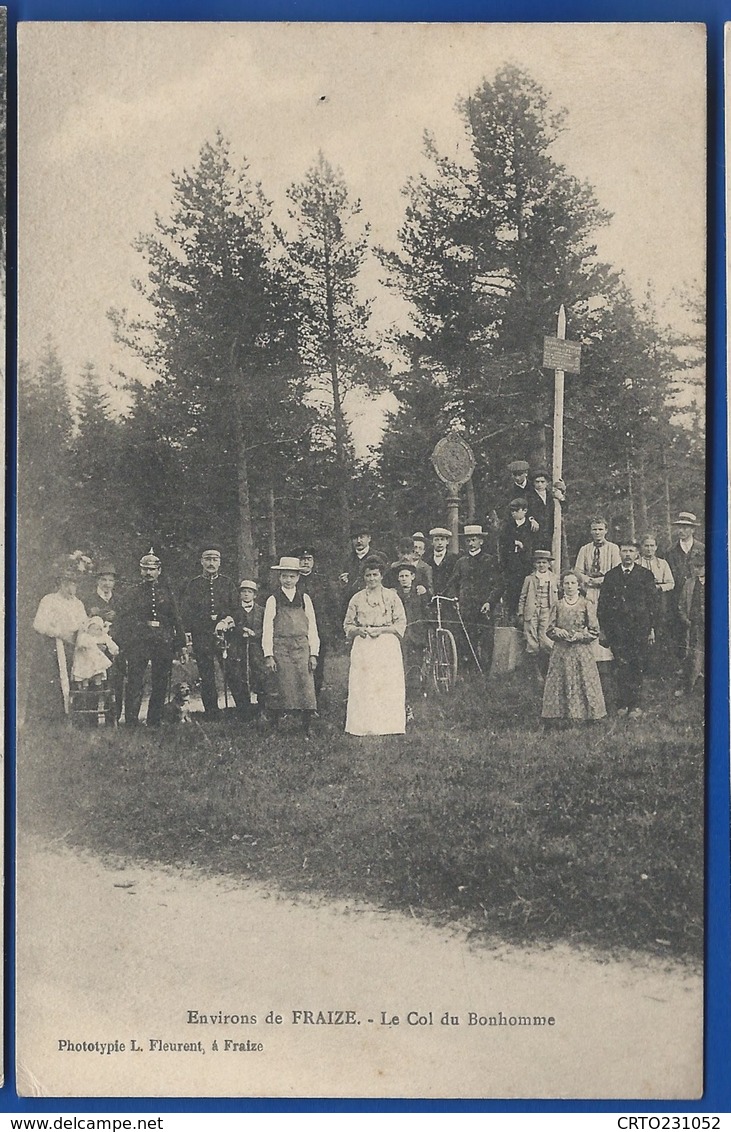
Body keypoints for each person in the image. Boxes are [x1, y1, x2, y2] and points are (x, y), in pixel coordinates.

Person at [115, 549, 186, 728]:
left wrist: (180, 643)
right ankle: (131, 721)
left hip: (163, 643)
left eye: (152, 569)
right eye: (145, 569)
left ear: (159, 571)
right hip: (139, 643)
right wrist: (135, 633)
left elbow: (175, 618)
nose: (148, 573)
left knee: (160, 682)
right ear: (140, 571)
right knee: (135, 681)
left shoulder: (166, 592)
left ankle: (154, 720)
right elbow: (125, 618)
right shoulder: (133, 593)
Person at [343, 556, 407, 736]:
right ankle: (363, 726)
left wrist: (384, 630)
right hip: (364, 645)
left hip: (386, 644)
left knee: (386, 684)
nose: (371, 579)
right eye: (368, 575)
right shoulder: (357, 598)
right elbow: (347, 625)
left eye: (375, 575)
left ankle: (389, 726)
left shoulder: (391, 597)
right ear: (363, 577)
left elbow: (401, 623)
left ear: (381, 576)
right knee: (364, 685)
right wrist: (358, 630)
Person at [598, 540, 657, 718]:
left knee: (636, 665)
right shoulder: (611, 575)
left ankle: (636, 705)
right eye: (624, 551)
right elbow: (603, 605)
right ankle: (622, 703)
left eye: (631, 551)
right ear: (620, 553)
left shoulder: (645, 575)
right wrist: (603, 630)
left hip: (639, 629)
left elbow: (652, 604)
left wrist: (651, 628)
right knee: (620, 666)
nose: (628, 554)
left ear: (637, 554)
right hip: (617, 630)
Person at [28, 555, 90, 722]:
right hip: (50, 647)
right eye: (67, 583)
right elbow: (39, 624)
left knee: (75, 676)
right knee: (50, 682)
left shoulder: (78, 603)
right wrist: (59, 633)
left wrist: (80, 634)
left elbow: (84, 623)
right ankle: (48, 719)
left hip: (72, 646)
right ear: (60, 584)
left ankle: (72, 716)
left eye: (73, 583)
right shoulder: (49, 600)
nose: (71, 587)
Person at [262, 556, 320, 735]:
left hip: (302, 646)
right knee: (280, 686)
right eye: (284, 576)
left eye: (292, 576)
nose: (288, 580)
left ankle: (307, 726)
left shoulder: (304, 598)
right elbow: (267, 627)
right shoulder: (273, 599)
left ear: (298, 577)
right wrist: (269, 654)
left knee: (306, 685)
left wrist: (313, 653)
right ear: (279, 577)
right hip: (281, 647)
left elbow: (312, 627)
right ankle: (274, 727)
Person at [541, 571, 606, 725]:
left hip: (580, 651)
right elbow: (549, 629)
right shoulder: (557, 605)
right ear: (562, 586)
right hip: (561, 650)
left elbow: (594, 630)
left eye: (573, 583)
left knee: (583, 680)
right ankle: (558, 716)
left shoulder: (586, 604)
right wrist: (558, 631)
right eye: (566, 583)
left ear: (579, 585)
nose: (569, 586)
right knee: (559, 680)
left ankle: (585, 715)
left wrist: (579, 636)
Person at [181, 545, 238, 719]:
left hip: (224, 636)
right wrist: (189, 636)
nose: (211, 563)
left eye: (215, 560)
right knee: (207, 675)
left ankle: (242, 710)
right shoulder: (194, 584)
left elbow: (236, 609)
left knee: (232, 671)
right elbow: (187, 612)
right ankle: (212, 712)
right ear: (202, 562)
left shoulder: (227, 583)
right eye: (208, 560)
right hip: (202, 636)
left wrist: (226, 621)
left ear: (220, 562)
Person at [447, 524, 498, 670]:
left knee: (486, 643)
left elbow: (498, 585)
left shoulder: (490, 561)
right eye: (468, 540)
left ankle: (485, 676)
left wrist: (490, 602)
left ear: (481, 541)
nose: (471, 543)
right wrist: (455, 598)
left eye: (474, 540)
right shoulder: (461, 562)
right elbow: (452, 584)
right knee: (467, 642)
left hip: (484, 609)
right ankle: (469, 675)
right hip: (466, 609)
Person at [573, 518, 621, 663]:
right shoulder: (585, 549)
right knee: (590, 618)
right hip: (589, 589)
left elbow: (616, 570)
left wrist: (602, 580)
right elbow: (578, 570)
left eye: (600, 529)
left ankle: (608, 657)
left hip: (607, 589)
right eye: (594, 529)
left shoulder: (613, 548)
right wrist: (587, 579)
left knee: (607, 618)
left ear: (606, 530)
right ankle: (591, 657)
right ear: (590, 531)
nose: (597, 532)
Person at [81, 561, 125, 720]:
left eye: (110, 580)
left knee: (115, 681)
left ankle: (113, 718)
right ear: (97, 581)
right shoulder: (88, 599)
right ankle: (91, 719)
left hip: (114, 646)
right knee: (94, 680)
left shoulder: (120, 599)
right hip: (94, 648)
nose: (107, 584)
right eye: (104, 580)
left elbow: (125, 622)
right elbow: (83, 624)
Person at [217, 580, 265, 720]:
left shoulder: (262, 611)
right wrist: (240, 630)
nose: (246, 594)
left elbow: (267, 628)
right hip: (239, 649)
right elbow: (229, 628)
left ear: (255, 595)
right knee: (240, 677)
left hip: (256, 649)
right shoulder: (234, 612)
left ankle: (262, 710)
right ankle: (244, 711)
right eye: (243, 592)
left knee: (260, 677)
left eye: (249, 592)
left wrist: (255, 633)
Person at [664, 512, 705, 671]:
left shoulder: (702, 548)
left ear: (693, 530)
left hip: (697, 596)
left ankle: (699, 669)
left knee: (698, 633)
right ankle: (682, 668)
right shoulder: (670, 551)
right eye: (679, 527)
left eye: (686, 527)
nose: (681, 530)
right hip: (676, 597)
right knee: (679, 632)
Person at [393, 560, 430, 721]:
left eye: (407, 576)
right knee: (400, 667)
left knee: (415, 667)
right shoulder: (394, 595)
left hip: (416, 637)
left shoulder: (420, 594)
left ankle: (412, 701)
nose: (404, 579)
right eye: (401, 576)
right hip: (400, 638)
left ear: (413, 577)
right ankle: (401, 700)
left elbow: (427, 613)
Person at [518, 549, 559, 685]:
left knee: (546, 640)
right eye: (539, 562)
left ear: (549, 564)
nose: (541, 565)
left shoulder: (553, 578)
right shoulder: (529, 579)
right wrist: (521, 613)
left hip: (547, 611)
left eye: (544, 562)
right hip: (532, 611)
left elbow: (557, 597)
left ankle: (547, 671)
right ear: (535, 564)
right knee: (532, 640)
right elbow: (523, 597)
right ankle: (535, 673)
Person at [638, 534, 675, 666]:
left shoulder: (662, 563)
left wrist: (658, 587)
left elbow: (671, 583)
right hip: (641, 599)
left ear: (656, 547)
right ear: (641, 547)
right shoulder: (637, 563)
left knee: (660, 629)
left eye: (652, 546)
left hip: (659, 599)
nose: (649, 549)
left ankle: (659, 665)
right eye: (646, 546)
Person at [498, 498, 536, 618]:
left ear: (524, 511)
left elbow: (535, 543)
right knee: (512, 596)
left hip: (526, 566)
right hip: (511, 567)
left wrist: (523, 547)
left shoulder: (531, 526)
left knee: (526, 595)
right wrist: (513, 542)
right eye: (512, 511)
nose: (514, 513)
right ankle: (512, 620)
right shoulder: (507, 526)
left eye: (516, 510)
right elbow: (502, 543)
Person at [676, 551, 705, 696]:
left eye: (700, 566)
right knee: (692, 655)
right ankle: (688, 686)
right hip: (693, 625)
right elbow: (681, 604)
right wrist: (685, 619)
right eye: (694, 566)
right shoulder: (689, 583)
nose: (697, 569)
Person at [525, 468, 566, 551]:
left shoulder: (552, 496)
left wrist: (561, 497)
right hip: (534, 534)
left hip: (550, 533)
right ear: (533, 483)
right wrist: (531, 519)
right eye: (537, 482)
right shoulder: (528, 496)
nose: (540, 484)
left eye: (542, 482)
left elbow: (565, 509)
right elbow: (524, 511)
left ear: (547, 483)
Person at [424, 526, 459, 597]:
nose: (439, 543)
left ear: (447, 542)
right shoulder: (427, 560)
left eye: (442, 540)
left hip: (449, 599)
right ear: (432, 542)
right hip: (432, 598)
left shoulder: (455, 559)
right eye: (436, 540)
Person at [503, 460, 537, 528]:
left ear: (526, 473)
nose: (517, 478)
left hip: (534, 524)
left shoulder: (534, 487)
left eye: (520, 474)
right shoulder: (509, 491)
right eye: (514, 475)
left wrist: (532, 519)